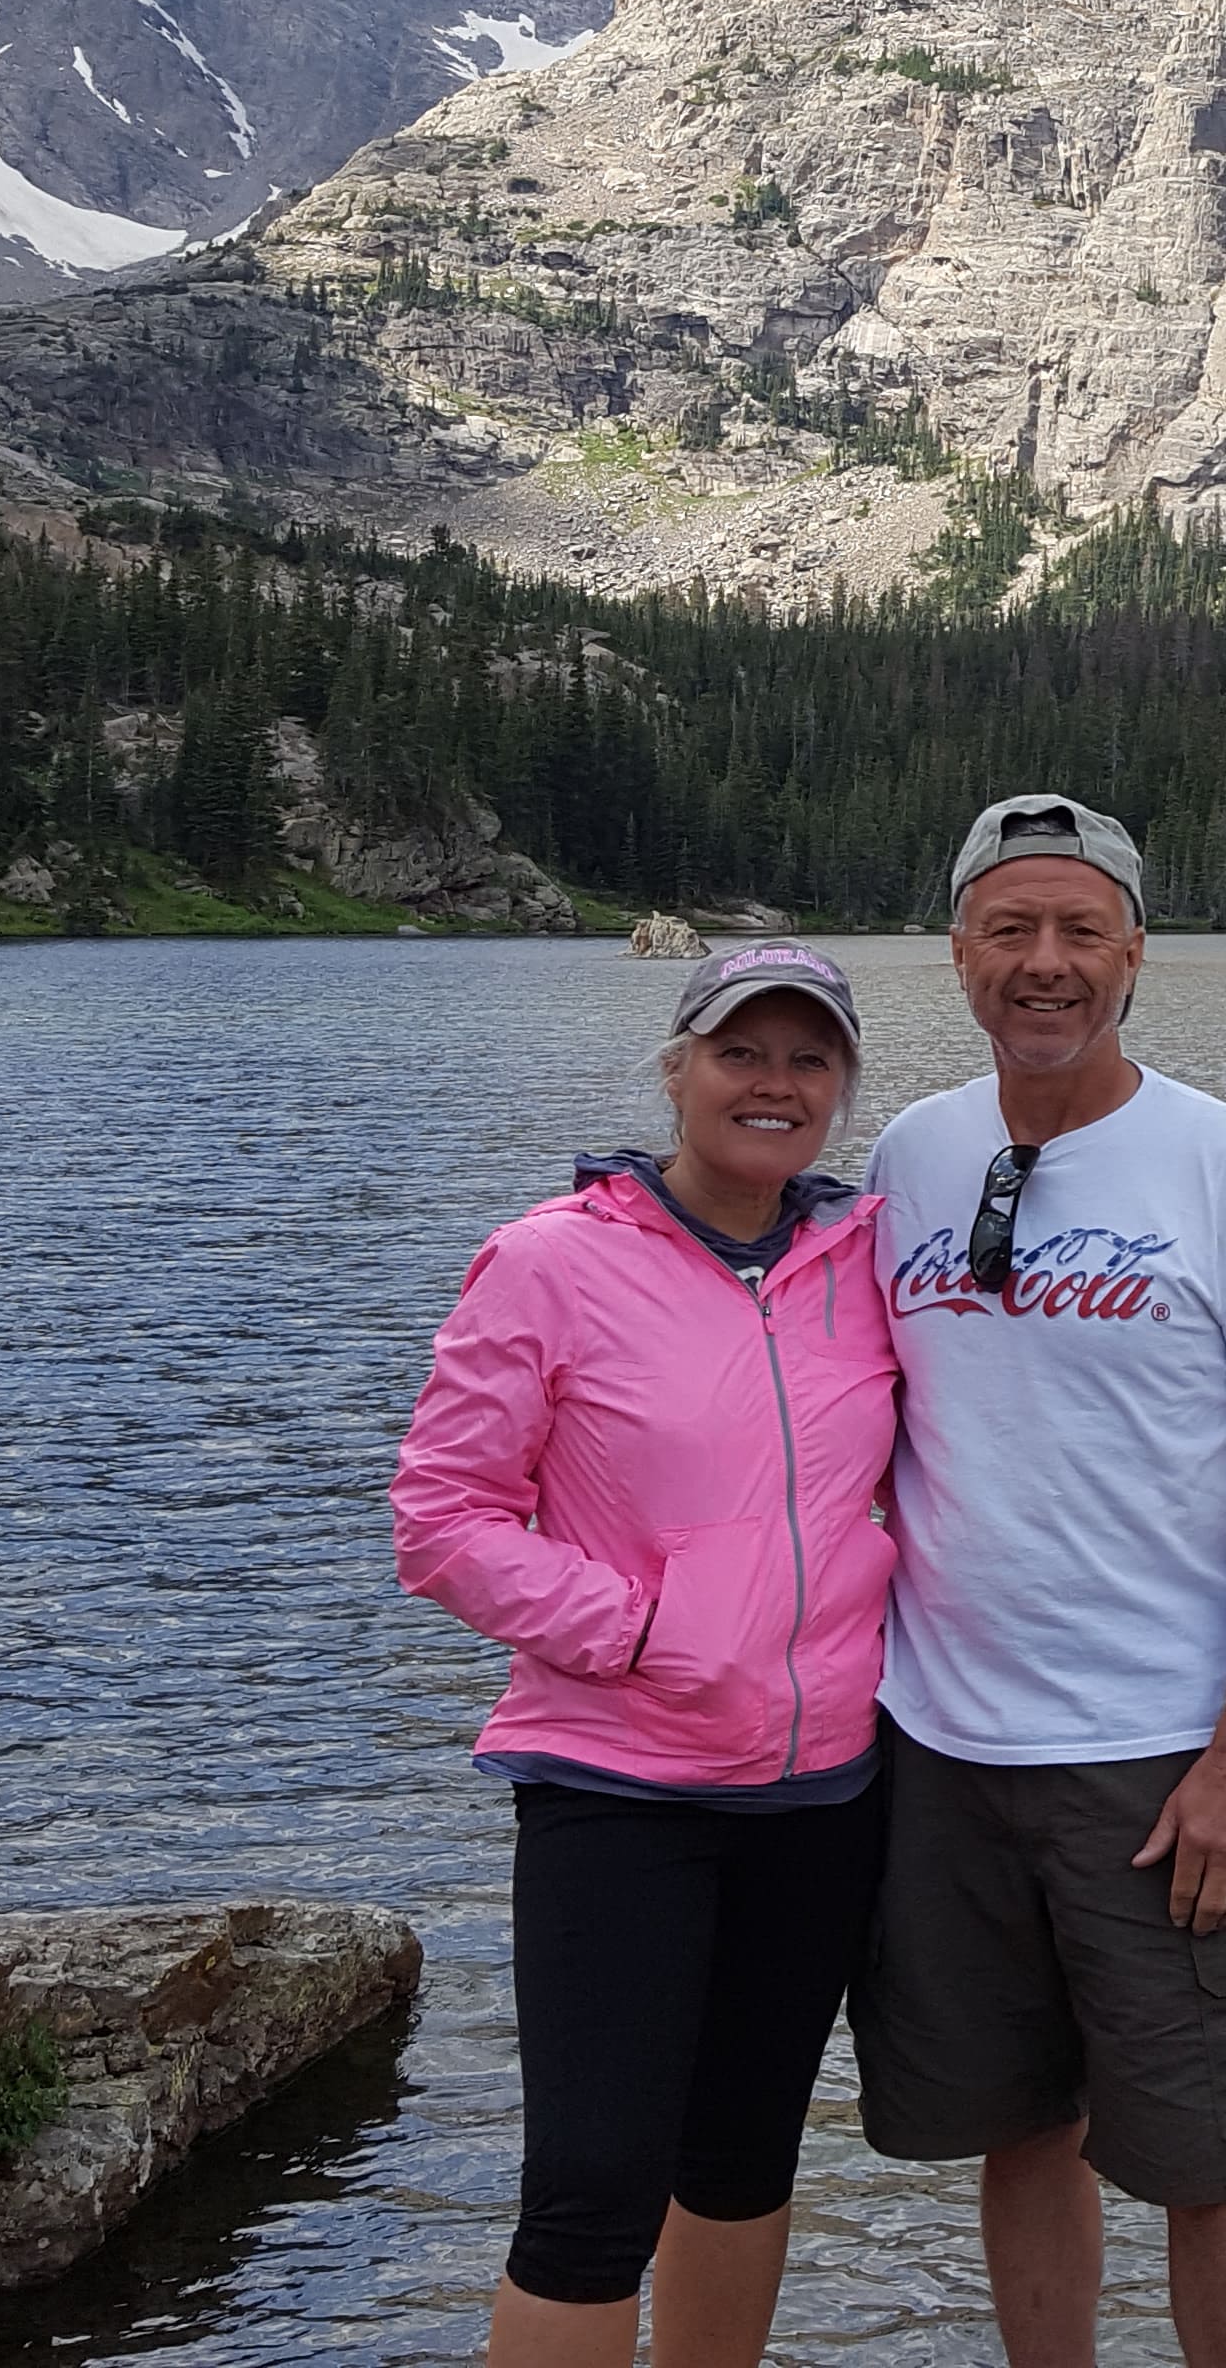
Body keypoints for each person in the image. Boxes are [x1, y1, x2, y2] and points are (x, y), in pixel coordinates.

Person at [855, 795, 1226, 2368]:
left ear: (1136, 952)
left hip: (1155, 1763)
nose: (1047, 964)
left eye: (1081, 931)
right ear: (958, 955)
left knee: (1210, 2160)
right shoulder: (910, 1155)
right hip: (936, 1753)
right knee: (1022, 2129)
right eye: (1012, 930)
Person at [389, 944, 903, 2368]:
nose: (775, 1083)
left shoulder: (864, 1258)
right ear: (676, 1069)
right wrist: (634, 1631)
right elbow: (441, 1521)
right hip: (618, 1789)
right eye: (743, 1052)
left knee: (742, 2161)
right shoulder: (551, 1261)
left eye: (811, 1059)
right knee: (592, 2192)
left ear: (843, 1089)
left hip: (821, 1797)